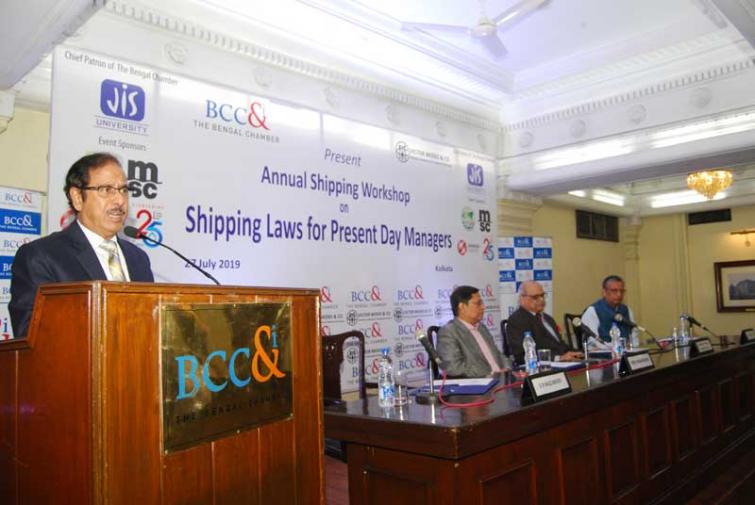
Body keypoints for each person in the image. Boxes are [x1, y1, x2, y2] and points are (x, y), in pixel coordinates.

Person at [9, 153, 154, 337]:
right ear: (77, 197)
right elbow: (32, 336)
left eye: (123, 190)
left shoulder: (138, 258)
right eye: (106, 189)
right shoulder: (41, 257)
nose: (120, 200)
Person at [507, 280, 583, 365]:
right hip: (542, 367)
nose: (541, 300)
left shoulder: (548, 318)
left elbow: (559, 345)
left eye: (542, 295)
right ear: (522, 299)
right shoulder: (517, 320)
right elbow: (522, 355)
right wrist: (558, 358)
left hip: (564, 363)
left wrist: (578, 353)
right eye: (535, 297)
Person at [436, 285, 506, 378]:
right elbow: (454, 368)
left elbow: (497, 354)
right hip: (482, 382)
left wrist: (508, 369)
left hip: (501, 378)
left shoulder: (481, 328)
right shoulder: (448, 332)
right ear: (462, 307)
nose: (483, 307)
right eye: (478, 303)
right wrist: (491, 372)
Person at [581, 275, 638, 345]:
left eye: (622, 291)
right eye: (614, 291)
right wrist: (615, 347)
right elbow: (593, 342)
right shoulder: (592, 311)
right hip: (603, 351)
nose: (619, 294)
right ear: (604, 292)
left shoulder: (627, 310)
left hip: (626, 350)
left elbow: (634, 337)